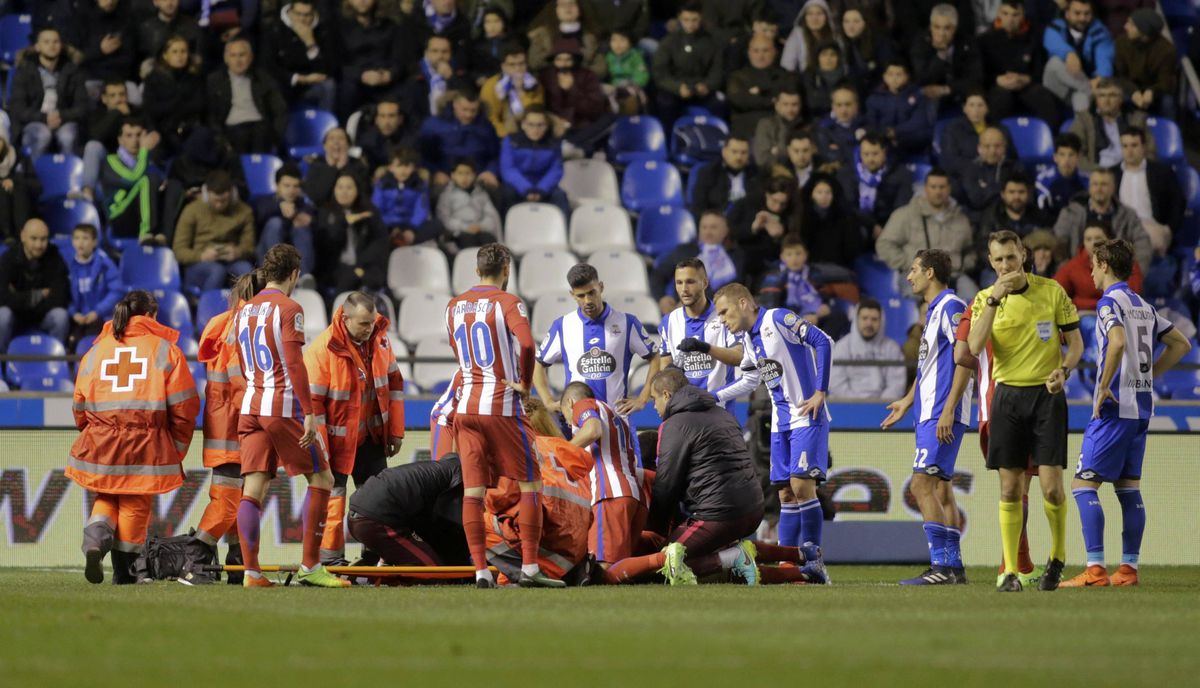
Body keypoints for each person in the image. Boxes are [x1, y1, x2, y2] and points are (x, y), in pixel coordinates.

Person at [1061, 239, 1192, 587]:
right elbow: (1182, 343)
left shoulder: (1109, 303)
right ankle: (1128, 570)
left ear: (1104, 264)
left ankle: (1095, 569)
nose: (1090, 270)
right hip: (1141, 408)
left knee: (1082, 485)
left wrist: (1103, 384)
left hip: (1114, 407)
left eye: (1093, 264)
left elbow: (1116, 342)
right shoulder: (1143, 306)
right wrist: (1151, 375)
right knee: (1128, 487)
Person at [967, 230, 1084, 592]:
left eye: (1011, 258)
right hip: (1008, 399)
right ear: (991, 262)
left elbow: (1076, 344)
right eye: (999, 259)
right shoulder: (985, 298)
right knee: (1010, 489)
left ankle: (1057, 558)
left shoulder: (1051, 292)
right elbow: (973, 345)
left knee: (1051, 489)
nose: (1006, 265)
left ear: (1023, 255)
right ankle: (1010, 572)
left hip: (1047, 398)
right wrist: (992, 302)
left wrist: (1063, 371)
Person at [444, 242, 563, 589]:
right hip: (502, 406)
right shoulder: (508, 302)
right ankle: (528, 568)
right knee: (530, 484)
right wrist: (525, 383)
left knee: (473, 491)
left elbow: (456, 349)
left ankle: (480, 570)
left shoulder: (453, 306)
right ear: (506, 269)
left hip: (465, 406)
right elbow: (526, 345)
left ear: (476, 269)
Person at [235, 244, 348, 589]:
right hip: (281, 406)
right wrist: (310, 412)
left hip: (251, 403)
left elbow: (241, 361)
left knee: (252, 488)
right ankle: (311, 566)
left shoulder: (243, 310)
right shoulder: (289, 308)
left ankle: (252, 574)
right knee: (322, 479)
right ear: (294, 275)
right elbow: (294, 362)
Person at [68, 289, 199, 584]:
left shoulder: (95, 351)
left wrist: (91, 433)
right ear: (151, 315)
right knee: (134, 503)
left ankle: (94, 543)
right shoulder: (166, 351)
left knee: (107, 496)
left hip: (102, 440)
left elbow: (79, 402)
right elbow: (185, 406)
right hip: (145, 443)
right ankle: (125, 573)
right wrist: (175, 448)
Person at [604, 368, 777, 586]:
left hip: (718, 515)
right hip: (753, 509)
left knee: (664, 564)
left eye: (654, 399)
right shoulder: (723, 414)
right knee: (698, 559)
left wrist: (656, 528)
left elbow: (667, 484)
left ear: (666, 395)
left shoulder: (674, 424)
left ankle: (734, 558)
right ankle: (796, 561)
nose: (654, 407)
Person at [712, 282, 832, 572]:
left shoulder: (778, 319)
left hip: (807, 414)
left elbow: (823, 340)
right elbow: (751, 381)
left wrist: (820, 391)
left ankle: (814, 561)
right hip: (781, 423)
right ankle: (787, 563)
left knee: (802, 487)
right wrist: (716, 396)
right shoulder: (750, 340)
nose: (724, 322)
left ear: (743, 303)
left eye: (725, 313)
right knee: (785, 494)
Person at [881, 249, 973, 584]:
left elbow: (965, 360)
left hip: (940, 412)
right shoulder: (934, 311)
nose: (909, 276)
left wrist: (948, 408)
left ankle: (941, 568)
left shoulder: (952, 308)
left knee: (921, 485)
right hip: (929, 410)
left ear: (931, 273)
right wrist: (907, 400)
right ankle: (954, 568)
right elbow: (929, 366)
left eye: (914, 269)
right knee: (941, 491)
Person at [306, 291, 406, 566]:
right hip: (336, 444)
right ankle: (330, 561)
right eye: (363, 324)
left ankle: (373, 558)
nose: (369, 328)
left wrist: (395, 430)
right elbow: (312, 405)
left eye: (372, 322)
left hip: (371, 439)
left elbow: (395, 384)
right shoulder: (323, 349)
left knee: (377, 501)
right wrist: (322, 449)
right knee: (334, 501)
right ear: (345, 318)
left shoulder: (381, 340)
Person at [178, 272, 261, 586]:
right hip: (240, 428)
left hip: (222, 426)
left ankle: (239, 565)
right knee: (229, 501)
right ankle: (194, 561)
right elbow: (241, 382)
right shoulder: (247, 329)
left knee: (238, 499)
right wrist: (262, 418)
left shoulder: (225, 323)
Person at [534, 263, 660, 413]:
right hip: (577, 421)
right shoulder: (562, 326)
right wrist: (547, 401)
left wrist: (642, 398)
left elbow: (655, 357)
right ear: (572, 295)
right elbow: (538, 364)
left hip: (617, 419)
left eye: (591, 292)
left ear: (601, 287)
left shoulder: (627, 323)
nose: (587, 300)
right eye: (581, 295)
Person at [558, 381, 641, 566]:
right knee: (619, 566)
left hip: (609, 493)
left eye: (565, 415)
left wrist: (559, 452)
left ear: (570, 403)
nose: (569, 423)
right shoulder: (612, 415)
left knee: (600, 567)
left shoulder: (583, 405)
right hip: (629, 492)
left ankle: (663, 560)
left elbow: (592, 430)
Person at [347, 454, 471, 568]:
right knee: (433, 571)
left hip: (359, 516)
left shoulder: (443, 469)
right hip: (377, 519)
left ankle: (367, 574)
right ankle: (369, 577)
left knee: (424, 558)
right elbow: (455, 524)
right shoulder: (462, 474)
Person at [877, 168, 976, 296]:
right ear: (925, 188)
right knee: (914, 295)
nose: (938, 191)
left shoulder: (961, 219)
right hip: (918, 275)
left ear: (949, 189)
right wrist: (908, 263)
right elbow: (884, 244)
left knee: (973, 297)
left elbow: (969, 250)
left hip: (953, 276)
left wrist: (963, 264)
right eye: (933, 187)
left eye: (942, 187)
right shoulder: (906, 214)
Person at [656, 258, 743, 400]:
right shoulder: (669, 321)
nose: (684, 289)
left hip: (719, 410)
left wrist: (705, 347)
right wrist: (669, 373)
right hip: (684, 411)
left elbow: (739, 356)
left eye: (690, 282)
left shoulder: (724, 314)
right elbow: (665, 363)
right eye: (679, 283)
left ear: (705, 283)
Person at [978, 0, 1060, 128]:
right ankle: (994, 140)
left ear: (1023, 15)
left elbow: (1040, 70)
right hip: (998, 87)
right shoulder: (985, 40)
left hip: (1026, 86)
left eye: (1015, 15)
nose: (1010, 19)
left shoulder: (1034, 37)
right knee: (1000, 99)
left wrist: (1027, 79)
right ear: (998, 14)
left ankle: (1053, 141)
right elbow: (979, 74)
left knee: (1044, 97)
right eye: (1005, 14)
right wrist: (997, 79)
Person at [1052, 167, 1151, 273]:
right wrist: (1067, 271)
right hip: (1077, 273)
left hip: (1115, 275)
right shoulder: (1070, 213)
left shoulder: (1128, 215)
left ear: (1113, 188)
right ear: (1089, 187)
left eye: (1104, 184)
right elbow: (1058, 243)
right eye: (1095, 184)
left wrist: (1132, 272)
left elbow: (1143, 243)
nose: (1099, 188)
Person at [9, 28, 87, 158]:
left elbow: (82, 106)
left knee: (68, 136)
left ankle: (66, 176)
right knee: (42, 134)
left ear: (61, 45)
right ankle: (33, 175)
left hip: (63, 120)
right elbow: (18, 108)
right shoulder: (24, 70)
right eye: (46, 42)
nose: (52, 45)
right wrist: (44, 118)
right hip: (33, 121)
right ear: (37, 47)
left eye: (56, 41)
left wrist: (61, 115)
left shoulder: (72, 70)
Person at [173, 170, 256, 293]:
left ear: (232, 195)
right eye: (215, 201)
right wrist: (201, 256)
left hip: (231, 261)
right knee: (217, 271)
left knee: (246, 270)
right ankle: (208, 309)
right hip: (199, 264)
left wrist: (238, 252)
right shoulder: (192, 210)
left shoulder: (244, 212)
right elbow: (179, 251)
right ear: (206, 195)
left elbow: (250, 247)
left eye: (223, 201)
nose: (219, 205)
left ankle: (249, 310)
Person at [757, 233, 851, 338]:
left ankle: (822, 347)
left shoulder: (814, 274)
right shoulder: (773, 278)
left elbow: (827, 299)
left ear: (805, 255)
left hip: (817, 318)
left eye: (798, 253)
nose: (794, 258)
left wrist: (823, 309)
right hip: (789, 323)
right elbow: (771, 311)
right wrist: (800, 320)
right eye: (789, 254)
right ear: (782, 257)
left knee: (840, 316)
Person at [206, 37, 287, 155]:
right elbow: (211, 115)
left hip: (260, 127)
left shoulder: (263, 78)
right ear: (226, 59)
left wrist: (276, 135)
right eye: (233, 55)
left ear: (250, 58)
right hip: (232, 128)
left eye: (242, 55)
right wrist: (219, 137)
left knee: (262, 134)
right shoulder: (214, 80)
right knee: (240, 137)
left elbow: (280, 109)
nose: (238, 60)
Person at [1111, 128, 1183, 258]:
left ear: (1143, 147)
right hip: (1120, 231)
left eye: (1134, 145)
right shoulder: (1112, 174)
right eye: (1125, 146)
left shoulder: (1162, 172)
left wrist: (1169, 229)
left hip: (1152, 229)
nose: (1129, 151)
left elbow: (1178, 202)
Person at [0, 219, 70, 353]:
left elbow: (59, 298)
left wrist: (18, 298)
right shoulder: (8, 259)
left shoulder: (55, 257)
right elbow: (3, 297)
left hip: (42, 316)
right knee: (2, 315)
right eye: (34, 239)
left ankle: (56, 359)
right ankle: (1, 364)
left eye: (43, 239)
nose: (39, 245)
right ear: (23, 237)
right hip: (15, 316)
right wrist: (37, 296)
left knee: (61, 316)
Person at [652, 2, 725, 127]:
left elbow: (718, 71)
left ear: (701, 18)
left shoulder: (712, 42)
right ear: (680, 18)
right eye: (686, 20)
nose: (690, 24)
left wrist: (707, 86)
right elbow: (660, 74)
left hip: (703, 90)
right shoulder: (668, 42)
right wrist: (677, 88)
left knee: (719, 102)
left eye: (694, 20)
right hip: (675, 90)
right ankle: (670, 141)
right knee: (664, 102)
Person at [313, 174, 390, 293]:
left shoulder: (369, 213)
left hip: (364, 265)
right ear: (333, 190)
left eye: (349, 188)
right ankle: (336, 311)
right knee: (348, 279)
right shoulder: (324, 213)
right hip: (335, 268)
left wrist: (360, 267)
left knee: (377, 282)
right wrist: (343, 222)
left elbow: (379, 243)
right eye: (340, 187)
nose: (344, 192)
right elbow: (326, 247)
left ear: (357, 191)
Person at [540, 38, 617, 157]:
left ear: (575, 60)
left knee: (609, 119)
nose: (563, 64)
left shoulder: (588, 76)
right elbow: (543, 105)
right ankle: (581, 148)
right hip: (556, 126)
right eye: (559, 59)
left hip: (584, 125)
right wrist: (554, 119)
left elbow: (594, 110)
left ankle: (572, 145)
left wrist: (573, 89)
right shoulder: (546, 76)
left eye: (568, 60)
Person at [99, 117, 168, 245]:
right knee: (148, 180)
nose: (135, 140)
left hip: (142, 214)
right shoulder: (111, 161)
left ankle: (165, 234)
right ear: (120, 140)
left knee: (173, 186)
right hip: (120, 218)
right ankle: (146, 233)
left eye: (138, 135)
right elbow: (133, 178)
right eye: (129, 135)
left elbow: (161, 181)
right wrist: (143, 151)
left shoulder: (149, 160)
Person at [651, 212, 745, 303]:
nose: (708, 232)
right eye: (704, 227)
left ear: (725, 231)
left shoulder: (734, 256)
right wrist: (662, 298)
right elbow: (658, 275)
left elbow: (731, 288)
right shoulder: (685, 251)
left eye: (713, 227)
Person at [835, 134, 913, 243]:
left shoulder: (901, 174)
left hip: (889, 227)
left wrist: (886, 229)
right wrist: (871, 225)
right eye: (866, 154)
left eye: (875, 154)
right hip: (857, 225)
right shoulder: (846, 174)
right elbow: (847, 206)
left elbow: (901, 208)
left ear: (884, 152)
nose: (870, 159)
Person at [261, 0, 337, 112]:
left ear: (314, 13)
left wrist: (310, 44)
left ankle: (325, 127)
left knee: (328, 85)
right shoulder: (274, 29)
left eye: (307, 15)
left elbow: (328, 70)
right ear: (290, 12)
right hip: (284, 85)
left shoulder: (323, 29)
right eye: (298, 14)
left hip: (311, 87)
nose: (302, 19)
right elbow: (268, 66)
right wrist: (299, 79)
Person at [337, 0, 407, 119]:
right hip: (355, 81)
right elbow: (337, 64)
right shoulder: (339, 28)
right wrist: (361, 75)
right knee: (347, 90)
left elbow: (400, 60)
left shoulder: (390, 27)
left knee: (408, 89)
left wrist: (389, 75)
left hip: (385, 79)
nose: (362, 1)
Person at [417, 90, 501, 189]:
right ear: (455, 105)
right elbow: (424, 156)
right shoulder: (433, 125)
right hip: (445, 176)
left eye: (473, 110)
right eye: (464, 110)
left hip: (478, 177)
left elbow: (495, 155)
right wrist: (436, 172)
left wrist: (490, 171)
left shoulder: (486, 127)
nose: (469, 115)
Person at [1067, 78, 1155, 173]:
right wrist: (1096, 171)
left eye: (1112, 95)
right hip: (1097, 174)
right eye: (1102, 96)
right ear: (1096, 99)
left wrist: (1135, 170)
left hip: (1129, 172)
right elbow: (1074, 152)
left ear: (1121, 99)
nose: (1106, 100)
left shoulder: (1136, 119)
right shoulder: (1084, 120)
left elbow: (1150, 152)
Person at [909, 3, 983, 115]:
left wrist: (947, 89)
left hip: (958, 90)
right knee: (926, 99)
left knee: (977, 98)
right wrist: (940, 56)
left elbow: (976, 78)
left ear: (955, 28)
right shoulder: (921, 42)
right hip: (932, 92)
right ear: (930, 26)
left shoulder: (967, 42)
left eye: (947, 28)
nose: (941, 33)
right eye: (936, 27)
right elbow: (922, 79)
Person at [1042, 0, 1114, 113]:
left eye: (1087, 13)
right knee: (1054, 63)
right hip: (1060, 87)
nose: (1082, 18)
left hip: (1085, 87)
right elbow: (1051, 40)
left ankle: (1081, 127)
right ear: (1067, 13)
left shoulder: (1100, 31)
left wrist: (1101, 78)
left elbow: (1105, 58)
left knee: (1080, 96)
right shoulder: (1055, 26)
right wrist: (1069, 53)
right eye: (1077, 13)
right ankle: (1090, 90)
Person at [141, 36, 207, 156]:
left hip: (190, 129)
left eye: (183, 51)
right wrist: (178, 103)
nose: (180, 56)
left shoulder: (195, 77)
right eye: (175, 51)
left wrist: (172, 106)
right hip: (164, 131)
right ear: (165, 55)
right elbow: (151, 109)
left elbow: (199, 105)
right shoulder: (153, 78)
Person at [829, 298, 906, 401]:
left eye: (874, 319)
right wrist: (858, 405)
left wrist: (878, 405)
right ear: (856, 319)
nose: (869, 323)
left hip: (882, 407)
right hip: (846, 407)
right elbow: (836, 384)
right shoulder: (841, 347)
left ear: (881, 321)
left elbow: (896, 385)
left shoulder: (892, 348)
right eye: (864, 318)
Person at [1054, 222, 1144, 311]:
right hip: (1088, 313)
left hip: (1122, 310)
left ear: (1109, 240)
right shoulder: (1073, 266)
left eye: (1098, 238)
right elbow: (1055, 292)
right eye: (1088, 239)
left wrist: (1081, 302)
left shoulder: (1126, 262)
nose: (1093, 243)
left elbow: (1133, 292)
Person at [499, 107, 569, 217]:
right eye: (531, 124)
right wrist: (526, 188)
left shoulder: (554, 142)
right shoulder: (511, 140)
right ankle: (505, 231)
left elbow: (556, 169)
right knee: (507, 195)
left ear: (547, 126)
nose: (535, 130)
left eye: (540, 125)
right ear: (523, 125)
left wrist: (542, 189)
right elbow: (508, 169)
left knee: (560, 196)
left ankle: (564, 231)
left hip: (544, 185)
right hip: (518, 185)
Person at [255, 163, 316, 282]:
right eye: (287, 186)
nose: (291, 190)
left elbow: (316, 225)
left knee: (301, 226)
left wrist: (298, 217)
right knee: (275, 223)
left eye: (296, 186)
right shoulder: (265, 202)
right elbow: (259, 215)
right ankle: (276, 275)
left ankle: (303, 278)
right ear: (277, 186)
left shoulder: (305, 206)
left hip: (294, 258)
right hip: (265, 258)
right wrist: (279, 206)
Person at [65, 223, 123, 348]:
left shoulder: (105, 264)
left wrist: (97, 312)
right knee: (71, 341)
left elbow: (116, 291)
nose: (80, 242)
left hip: (99, 316)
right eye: (77, 238)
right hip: (75, 317)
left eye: (85, 238)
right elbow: (63, 293)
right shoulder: (67, 264)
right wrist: (73, 313)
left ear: (94, 242)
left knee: (93, 342)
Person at [725, 35, 793, 140]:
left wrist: (758, 93)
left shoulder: (786, 76)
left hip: (779, 131)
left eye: (765, 51)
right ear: (749, 53)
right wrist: (772, 100)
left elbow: (789, 101)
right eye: (756, 51)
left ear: (775, 52)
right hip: (745, 132)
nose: (760, 56)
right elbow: (739, 100)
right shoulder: (737, 77)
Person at [1113, 9, 1177, 120]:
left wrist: (1152, 91)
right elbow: (1118, 75)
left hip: (1155, 91)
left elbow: (1166, 81)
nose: (1125, 26)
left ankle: (1169, 131)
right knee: (1115, 96)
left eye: (1131, 24)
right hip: (1128, 88)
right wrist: (1133, 91)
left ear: (1144, 31)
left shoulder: (1167, 50)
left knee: (1167, 102)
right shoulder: (1121, 42)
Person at [865, 59, 935, 158]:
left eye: (899, 74)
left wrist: (896, 132)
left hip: (912, 145)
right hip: (884, 145)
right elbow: (872, 125)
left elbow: (919, 122)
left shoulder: (918, 96)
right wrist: (886, 134)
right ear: (884, 77)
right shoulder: (874, 99)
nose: (894, 79)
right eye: (890, 74)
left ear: (907, 76)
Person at [372, 146, 439, 247]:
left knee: (437, 225)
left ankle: (403, 240)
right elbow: (376, 209)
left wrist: (411, 229)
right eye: (399, 166)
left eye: (407, 166)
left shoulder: (419, 184)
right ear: (391, 167)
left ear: (414, 168)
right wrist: (390, 228)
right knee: (372, 227)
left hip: (410, 225)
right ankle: (394, 239)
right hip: (388, 225)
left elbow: (421, 209)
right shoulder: (382, 184)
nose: (403, 170)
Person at [938, 90, 1014, 178]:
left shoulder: (1000, 129)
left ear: (987, 108)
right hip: (963, 177)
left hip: (995, 176)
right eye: (971, 105)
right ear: (964, 108)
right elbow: (949, 161)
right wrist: (977, 169)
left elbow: (1011, 156)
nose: (976, 110)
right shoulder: (952, 129)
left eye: (980, 105)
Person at [435, 158, 502, 256]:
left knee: (489, 241)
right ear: (453, 175)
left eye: (468, 173)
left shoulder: (481, 194)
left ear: (474, 175)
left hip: (480, 230)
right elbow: (444, 218)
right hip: (459, 232)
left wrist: (481, 226)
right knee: (469, 242)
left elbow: (491, 215)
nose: (464, 178)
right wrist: (465, 227)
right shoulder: (446, 195)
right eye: (460, 173)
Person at [956, 126, 1022, 225]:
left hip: (1009, 220)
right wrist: (999, 188)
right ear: (979, 148)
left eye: (997, 146)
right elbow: (976, 199)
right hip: (978, 222)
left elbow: (1018, 200)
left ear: (1004, 147)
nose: (992, 151)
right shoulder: (970, 169)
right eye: (987, 146)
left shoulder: (1015, 168)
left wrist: (986, 190)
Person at [526, 0, 607, 77]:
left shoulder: (591, 38)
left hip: (582, 84)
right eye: (563, 4)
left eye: (572, 3)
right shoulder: (541, 36)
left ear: (579, 9)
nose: (568, 8)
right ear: (556, 10)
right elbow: (534, 63)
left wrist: (577, 72)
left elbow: (601, 69)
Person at [481, 43, 546, 138]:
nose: (518, 68)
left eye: (521, 64)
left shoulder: (534, 84)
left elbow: (535, 113)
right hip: (500, 135)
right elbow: (490, 118)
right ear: (503, 66)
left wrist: (521, 91)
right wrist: (508, 135)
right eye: (512, 64)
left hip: (530, 132)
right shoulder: (491, 86)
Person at [978, 173, 1051, 256]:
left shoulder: (1039, 216)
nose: (1016, 196)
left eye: (1021, 192)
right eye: (1011, 192)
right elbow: (984, 249)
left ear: (1028, 194)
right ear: (1003, 194)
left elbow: (1048, 243)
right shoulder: (991, 216)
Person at [690, 136, 760, 219]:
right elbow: (698, 208)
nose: (739, 157)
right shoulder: (708, 173)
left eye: (743, 153)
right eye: (734, 152)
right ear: (724, 152)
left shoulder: (757, 174)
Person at [302, 128, 372, 209]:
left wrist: (344, 167)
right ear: (325, 146)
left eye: (341, 138)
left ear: (348, 145)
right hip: (323, 213)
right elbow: (317, 197)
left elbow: (364, 194)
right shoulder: (316, 165)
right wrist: (332, 169)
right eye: (331, 138)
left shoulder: (358, 165)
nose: (336, 142)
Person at [812, 84, 867, 167]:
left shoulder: (866, 124)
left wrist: (840, 148)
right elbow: (827, 156)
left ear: (856, 105)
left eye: (848, 104)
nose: (843, 110)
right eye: (839, 105)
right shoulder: (823, 128)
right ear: (833, 106)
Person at [1036, 133, 1089, 218]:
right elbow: (1042, 211)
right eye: (1062, 154)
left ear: (1078, 157)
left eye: (1071, 155)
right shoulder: (1043, 181)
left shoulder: (1087, 180)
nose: (1066, 160)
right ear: (1055, 157)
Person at [356, 100, 418, 173]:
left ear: (400, 119)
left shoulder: (412, 140)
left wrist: (386, 169)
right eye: (382, 116)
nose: (387, 122)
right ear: (376, 120)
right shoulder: (367, 141)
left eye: (391, 116)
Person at [801, 41, 854, 122]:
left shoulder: (847, 79)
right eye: (824, 54)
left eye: (832, 55)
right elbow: (811, 103)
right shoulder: (809, 77)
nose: (828, 59)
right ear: (817, 58)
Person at [752, 87, 804, 167]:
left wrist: (777, 151)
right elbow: (762, 159)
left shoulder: (807, 126)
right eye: (785, 104)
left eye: (794, 104)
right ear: (776, 105)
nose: (790, 109)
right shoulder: (766, 125)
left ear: (800, 106)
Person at [781, 0, 837, 73]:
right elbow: (787, 65)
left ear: (826, 17)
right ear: (805, 17)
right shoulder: (797, 35)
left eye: (819, 14)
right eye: (810, 14)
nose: (814, 18)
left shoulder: (835, 36)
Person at [604, 29, 649, 114]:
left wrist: (631, 83)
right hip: (613, 89)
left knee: (631, 101)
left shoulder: (636, 56)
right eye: (614, 40)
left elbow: (642, 76)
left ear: (630, 42)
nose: (618, 44)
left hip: (631, 88)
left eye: (622, 40)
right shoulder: (608, 57)